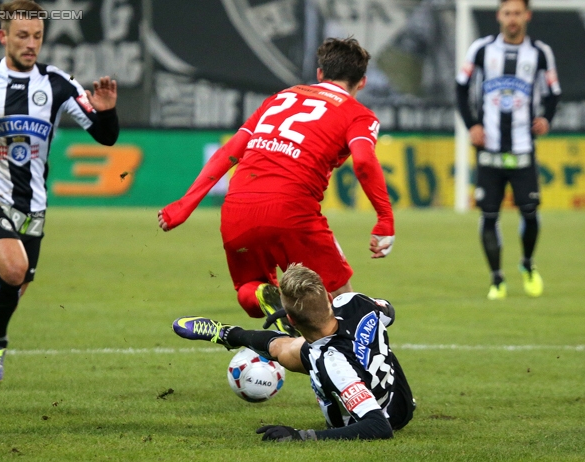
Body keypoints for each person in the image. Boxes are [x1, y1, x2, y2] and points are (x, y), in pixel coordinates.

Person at [159, 38, 395, 333]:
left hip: (237, 206)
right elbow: (363, 161)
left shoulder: (279, 98)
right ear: (362, 82)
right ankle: (350, 373)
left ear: (320, 74)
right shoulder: (358, 114)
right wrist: (385, 218)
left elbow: (229, 151)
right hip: (291, 210)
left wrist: (184, 205)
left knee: (249, 288)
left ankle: (266, 299)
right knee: (342, 300)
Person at [0, 0, 119, 383]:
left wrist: (106, 111)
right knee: (13, 269)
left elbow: (106, 138)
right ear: (3, 36)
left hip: (34, 208)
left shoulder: (58, 84)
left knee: (3, 295)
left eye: (37, 36)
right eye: (22, 35)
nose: (31, 43)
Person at [172, 263, 415, 441]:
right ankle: (227, 334)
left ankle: (242, 334)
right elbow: (388, 312)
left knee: (292, 349)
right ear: (329, 297)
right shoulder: (354, 301)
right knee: (288, 347)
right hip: (392, 388)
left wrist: (302, 436)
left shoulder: (334, 366)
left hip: (389, 414)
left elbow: (379, 427)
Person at [456, 0, 560, 300]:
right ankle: (497, 278)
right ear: (498, 15)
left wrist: (546, 119)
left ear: (526, 16)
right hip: (488, 148)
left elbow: (553, 92)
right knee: (489, 215)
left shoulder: (540, 52)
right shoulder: (481, 49)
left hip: (523, 146)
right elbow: (461, 88)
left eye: (517, 13)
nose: (512, 19)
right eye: (507, 13)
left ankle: (527, 264)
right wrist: (472, 124)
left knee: (529, 211)